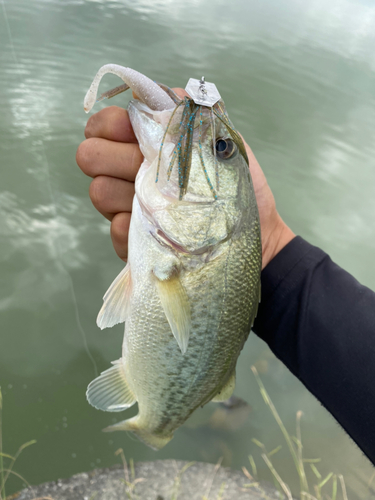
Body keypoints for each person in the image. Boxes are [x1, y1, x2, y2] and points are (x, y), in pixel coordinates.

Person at [76, 91, 375, 465]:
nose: (215, 143)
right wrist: (278, 256)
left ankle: (154, 425)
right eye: (221, 148)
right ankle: (157, 426)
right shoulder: (220, 239)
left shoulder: (218, 239)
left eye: (220, 148)